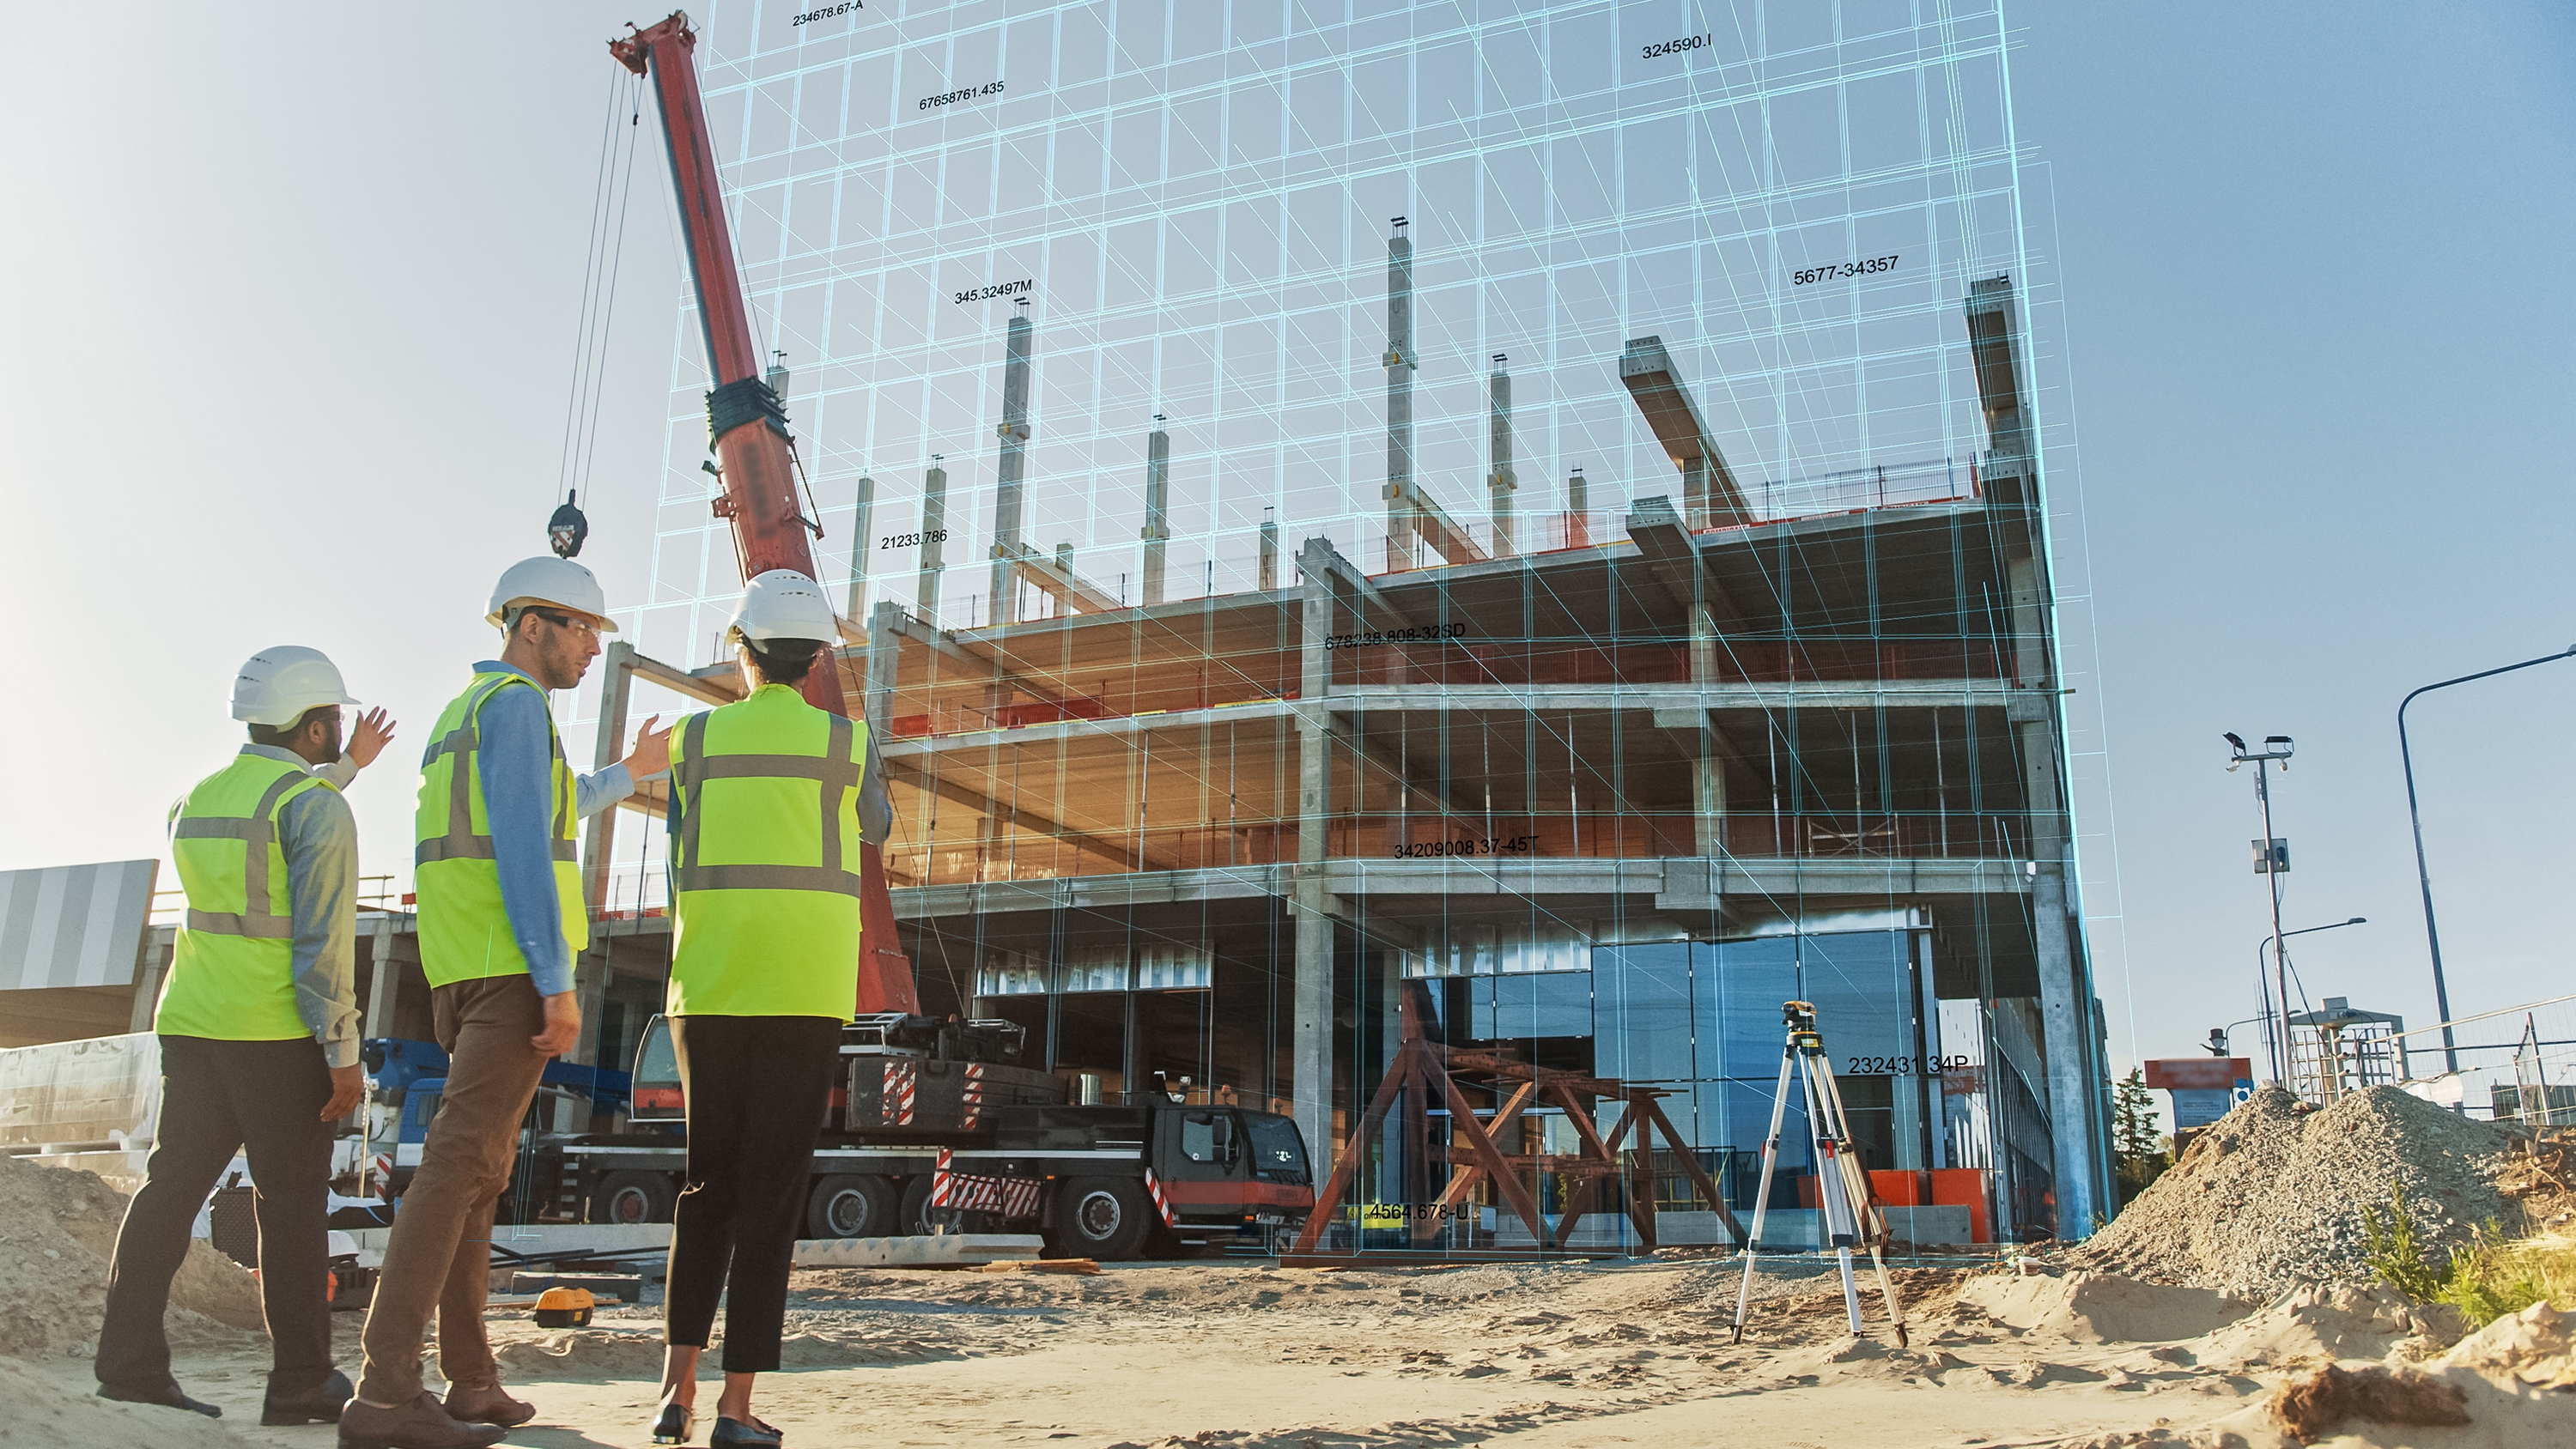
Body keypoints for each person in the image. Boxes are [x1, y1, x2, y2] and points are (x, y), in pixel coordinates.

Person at [341, 557, 670, 1449]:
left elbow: (548, 809)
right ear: (533, 626)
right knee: (456, 1172)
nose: (594, 646)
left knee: (478, 1178)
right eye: (582, 628)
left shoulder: (470, 711)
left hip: (462, 968)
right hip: (512, 969)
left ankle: (471, 1376)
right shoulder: (520, 708)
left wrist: (627, 771)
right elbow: (527, 847)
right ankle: (384, 1392)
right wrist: (556, 981)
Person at [95, 646, 374, 1423]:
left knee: (168, 1192)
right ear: (316, 725)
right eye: (336, 721)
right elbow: (324, 948)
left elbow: (262, 846)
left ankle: (126, 1366)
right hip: (276, 1035)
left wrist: (346, 769)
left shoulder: (195, 798)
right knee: (290, 1209)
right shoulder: (317, 807)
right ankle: (299, 1384)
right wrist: (343, 1054)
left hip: (190, 1027)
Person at [649, 571, 890, 1449]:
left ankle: (672, 1391)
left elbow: (682, 837)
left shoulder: (695, 738)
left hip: (707, 984)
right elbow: (879, 825)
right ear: (819, 655)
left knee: (703, 1184)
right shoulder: (846, 741)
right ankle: (734, 1405)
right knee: (771, 1195)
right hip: (802, 988)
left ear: (740, 649)